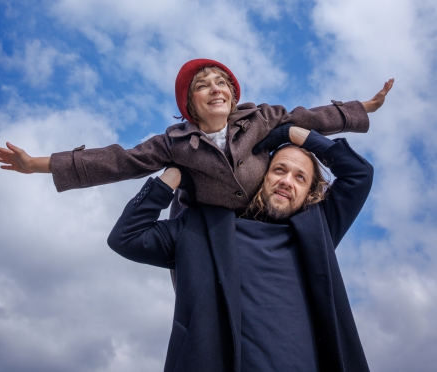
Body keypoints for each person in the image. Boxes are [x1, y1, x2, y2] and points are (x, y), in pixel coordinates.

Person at [107, 125, 373, 371]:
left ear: (309, 192)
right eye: (279, 170)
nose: (287, 181)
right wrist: (174, 174)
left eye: (300, 178)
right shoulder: (201, 230)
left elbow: (358, 174)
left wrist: (294, 133)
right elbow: (126, 237)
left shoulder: (318, 233)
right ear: (260, 175)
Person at [0, 58, 393, 216]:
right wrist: (34, 165)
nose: (216, 88)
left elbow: (311, 117)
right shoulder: (173, 144)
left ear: (233, 97)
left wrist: (362, 108)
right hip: (214, 232)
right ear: (190, 104)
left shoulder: (262, 118)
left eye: (223, 83)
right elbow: (115, 161)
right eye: (204, 85)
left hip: (271, 219)